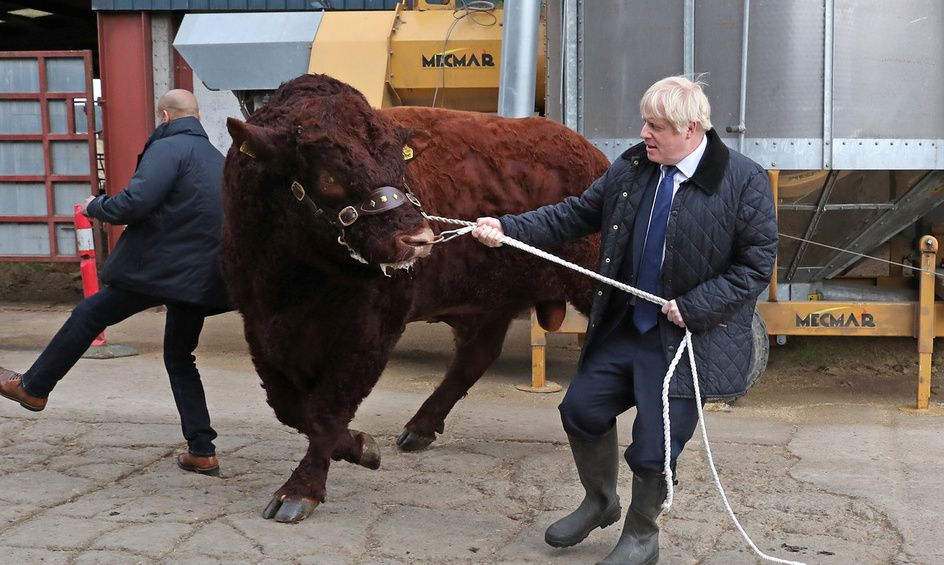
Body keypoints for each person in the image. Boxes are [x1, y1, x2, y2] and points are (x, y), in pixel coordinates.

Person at [472, 76, 777, 564]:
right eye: (645, 124)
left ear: (691, 130)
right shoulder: (634, 168)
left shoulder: (743, 181)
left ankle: (642, 534)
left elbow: (756, 267)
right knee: (580, 411)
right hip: (626, 327)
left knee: (653, 451)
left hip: (687, 342)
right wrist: (507, 227)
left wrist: (696, 305)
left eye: (656, 127)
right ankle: (600, 501)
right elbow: (574, 215)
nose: (644, 134)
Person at [0, 89, 230, 477]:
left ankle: (34, 387)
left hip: (161, 270)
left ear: (164, 116)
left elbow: (135, 202)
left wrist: (96, 205)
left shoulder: (168, 148)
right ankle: (202, 450)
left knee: (90, 312)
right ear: (197, 116)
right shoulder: (217, 159)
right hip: (203, 277)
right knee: (179, 356)